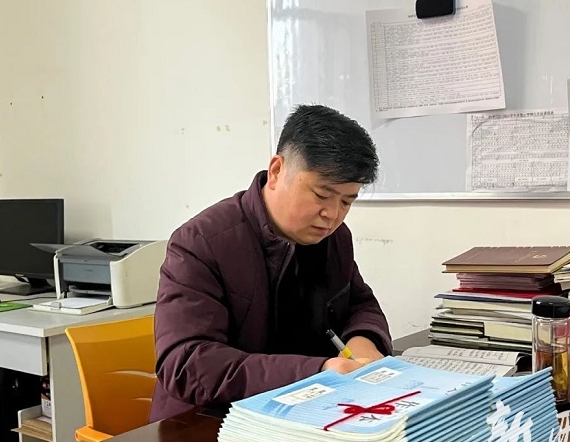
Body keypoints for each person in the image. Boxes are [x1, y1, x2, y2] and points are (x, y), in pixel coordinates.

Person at [149, 104, 392, 422]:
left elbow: (360, 304)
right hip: (207, 423)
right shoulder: (201, 242)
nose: (332, 215)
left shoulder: (334, 239)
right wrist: (316, 371)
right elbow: (186, 364)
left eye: (346, 201)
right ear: (277, 171)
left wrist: (364, 340)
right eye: (322, 195)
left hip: (303, 412)